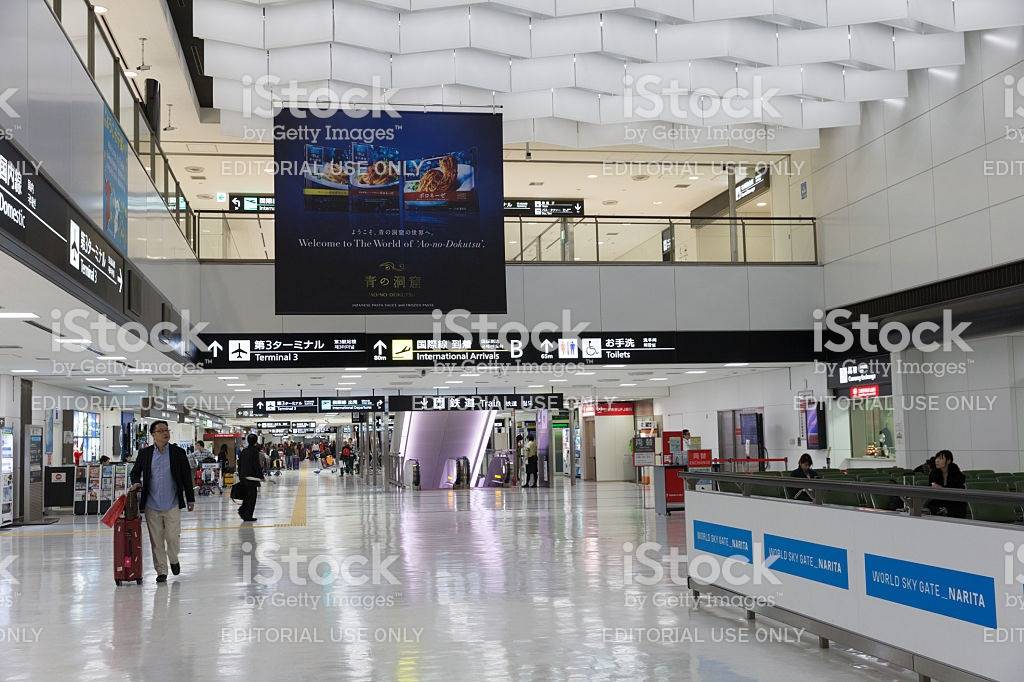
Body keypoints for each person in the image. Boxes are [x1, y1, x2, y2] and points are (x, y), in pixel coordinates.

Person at [128, 421, 195, 583]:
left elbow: (187, 476)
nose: (165, 433)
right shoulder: (145, 454)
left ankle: (173, 559)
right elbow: (134, 472)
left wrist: (190, 498)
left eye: (167, 430)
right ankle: (161, 571)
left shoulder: (178, 453)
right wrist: (136, 483)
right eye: (161, 431)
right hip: (152, 504)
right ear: (153, 434)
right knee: (156, 540)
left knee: (172, 537)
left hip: (172, 503)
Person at [927, 450, 967, 518]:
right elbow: (931, 494)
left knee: (960, 505)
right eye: (936, 458)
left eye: (940, 458)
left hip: (953, 504)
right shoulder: (933, 474)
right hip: (938, 503)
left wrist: (942, 489)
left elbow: (958, 494)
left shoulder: (958, 475)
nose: (936, 460)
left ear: (948, 461)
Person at [236, 434, 265, 522]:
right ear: (256, 441)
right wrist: (261, 476)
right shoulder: (255, 451)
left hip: (243, 477)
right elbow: (256, 465)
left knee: (246, 496)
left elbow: (239, 464)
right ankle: (247, 515)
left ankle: (242, 511)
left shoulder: (244, 451)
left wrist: (240, 476)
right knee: (252, 497)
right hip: (252, 479)